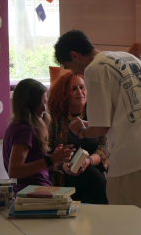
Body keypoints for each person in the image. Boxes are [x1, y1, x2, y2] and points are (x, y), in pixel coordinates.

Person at [53, 30, 141, 219]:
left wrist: (81, 132)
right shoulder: (129, 58)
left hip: (135, 156)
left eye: (70, 67)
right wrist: (91, 124)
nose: (74, 73)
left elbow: (100, 129)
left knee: (126, 223)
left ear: (74, 55)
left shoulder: (94, 69)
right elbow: (125, 112)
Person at [47, 72, 110, 204]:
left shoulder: (97, 116)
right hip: (65, 176)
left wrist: (87, 162)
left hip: (94, 172)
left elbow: (104, 149)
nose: (79, 92)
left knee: (90, 173)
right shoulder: (56, 121)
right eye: (74, 89)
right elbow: (46, 156)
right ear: (64, 94)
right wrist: (63, 166)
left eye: (82, 87)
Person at [3, 78, 74, 193]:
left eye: (45, 102)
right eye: (40, 104)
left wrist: (54, 160)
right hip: (34, 192)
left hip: (31, 190)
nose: (44, 109)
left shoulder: (15, 126)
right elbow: (14, 171)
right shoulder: (25, 131)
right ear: (28, 105)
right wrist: (50, 159)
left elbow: (33, 166)